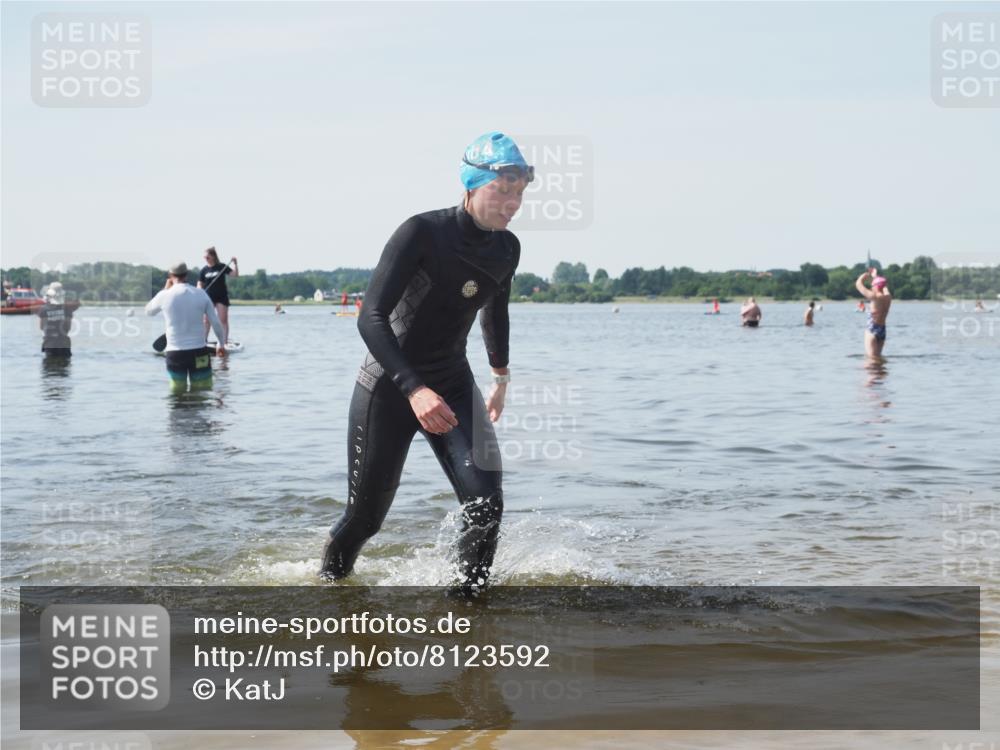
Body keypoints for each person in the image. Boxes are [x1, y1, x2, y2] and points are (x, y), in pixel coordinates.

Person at [319, 131, 529, 593]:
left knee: (485, 504)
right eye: (503, 189)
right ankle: (328, 586)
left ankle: (467, 612)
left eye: (519, 192)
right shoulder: (422, 232)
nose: (512, 202)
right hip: (389, 387)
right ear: (472, 184)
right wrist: (414, 388)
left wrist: (500, 377)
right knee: (365, 518)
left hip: (452, 382)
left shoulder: (507, 248)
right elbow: (370, 318)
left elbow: (495, 310)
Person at [146, 262, 227, 393]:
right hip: (199, 352)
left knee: (177, 394)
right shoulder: (201, 294)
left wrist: (164, 289)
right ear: (187, 275)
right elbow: (216, 323)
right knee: (203, 393)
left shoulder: (164, 295)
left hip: (175, 355)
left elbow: (148, 311)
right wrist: (220, 344)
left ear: (170, 276)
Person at [197, 247, 238, 344]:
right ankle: (204, 340)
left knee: (222, 320)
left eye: (207, 256)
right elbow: (199, 284)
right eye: (205, 256)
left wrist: (235, 264)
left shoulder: (222, 266)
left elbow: (235, 274)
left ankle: (224, 342)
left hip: (221, 297)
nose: (205, 258)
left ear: (213, 256)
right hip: (208, 298)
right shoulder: (204, 270)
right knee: (206, 320)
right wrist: (199, 290)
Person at [35, 282, 81, 357]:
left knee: (49, 365)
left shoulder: (43, 309)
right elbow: (68, 328)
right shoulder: (67, 309)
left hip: (49, 344)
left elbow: (41, 327)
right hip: (64, 344)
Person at [855, 267, 892, 359]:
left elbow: (858, 284)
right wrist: (875, 276)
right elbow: (884, 286)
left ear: (876, 287)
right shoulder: (888, 297)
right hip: (882, 331)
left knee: (871, 360)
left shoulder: (874, 296)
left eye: (872, 286)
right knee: (877, 358)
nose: (871, 288)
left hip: (872, 330)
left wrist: (863, 276)